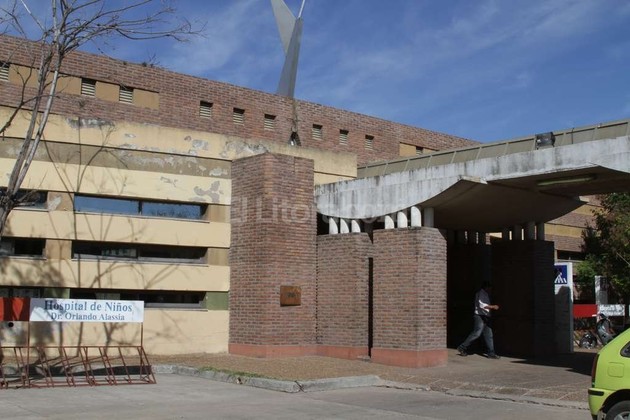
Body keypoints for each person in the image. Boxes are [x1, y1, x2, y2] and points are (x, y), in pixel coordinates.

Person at [457, 282, 500, 359]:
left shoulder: (486, 294)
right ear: (486, 287)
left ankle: (491, 353)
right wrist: (493, 306)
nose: (491, 290)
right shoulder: (481, 293)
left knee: (489, 335)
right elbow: (482, 305)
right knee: (477, 333)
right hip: (479, 316)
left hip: (486, 317)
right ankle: (462, 347)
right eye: (490, 288)